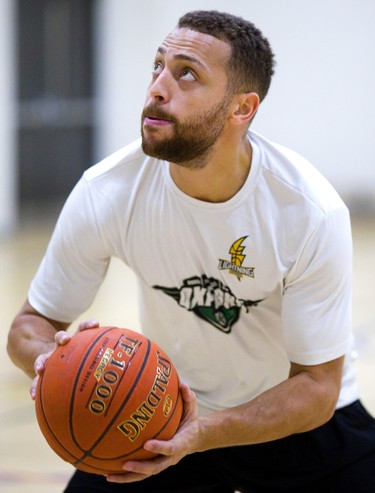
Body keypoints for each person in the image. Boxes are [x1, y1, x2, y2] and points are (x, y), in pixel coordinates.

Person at [7, 9, 375, 493]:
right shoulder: (107, 191)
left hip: (295, 422)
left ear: (241, 108)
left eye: (187, 74)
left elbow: (316, 388)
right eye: (157, 66)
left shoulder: (308, 211)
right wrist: (52, 361)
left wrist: (202, 434)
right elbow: (29, 326)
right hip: (161, 412)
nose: (158, 87)